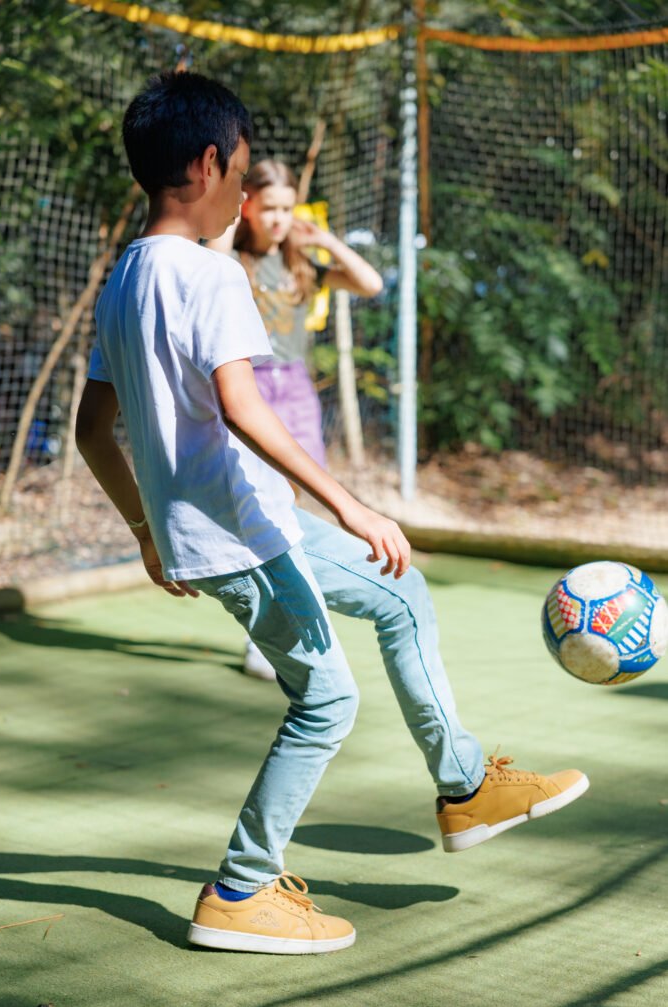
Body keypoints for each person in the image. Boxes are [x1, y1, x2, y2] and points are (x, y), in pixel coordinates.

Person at [75, 71, 590, 957]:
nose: (244, 190)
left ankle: (466, 787)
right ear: (208, 166)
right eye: (240, 171)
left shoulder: (123, 278)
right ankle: (239, 889)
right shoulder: (211, 274)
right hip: (245, 534)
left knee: (401, 596)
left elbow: (92, 431)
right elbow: (242, 404)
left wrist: (143, 531)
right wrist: (351, 505)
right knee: (324, 702)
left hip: (236, 526)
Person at [208, 159, 383, 680]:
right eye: (270, 208)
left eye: (289, 208)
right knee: (259, 507)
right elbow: (215, 247)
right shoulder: (230, 259)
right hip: (248, 387)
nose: (280, 219)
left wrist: (324, 239)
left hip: (297, 389)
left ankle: (290, 624)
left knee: (290, 503)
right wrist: (235, 213)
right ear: (248, 207)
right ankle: (263, 636)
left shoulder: (302, 264)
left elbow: (370, 283)